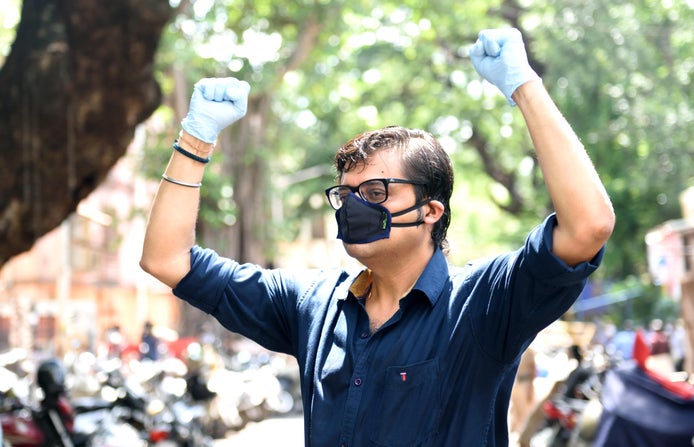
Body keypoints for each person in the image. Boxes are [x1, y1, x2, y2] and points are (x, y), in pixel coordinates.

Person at [141, 28, 614, 447]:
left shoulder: (483, 305)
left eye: (375, 192)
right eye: (345, 194)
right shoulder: (312, 305)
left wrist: (523, 87)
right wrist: (195, 139)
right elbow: (167, 259)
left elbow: (588, 226)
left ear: (431, 210)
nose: (354, 206)